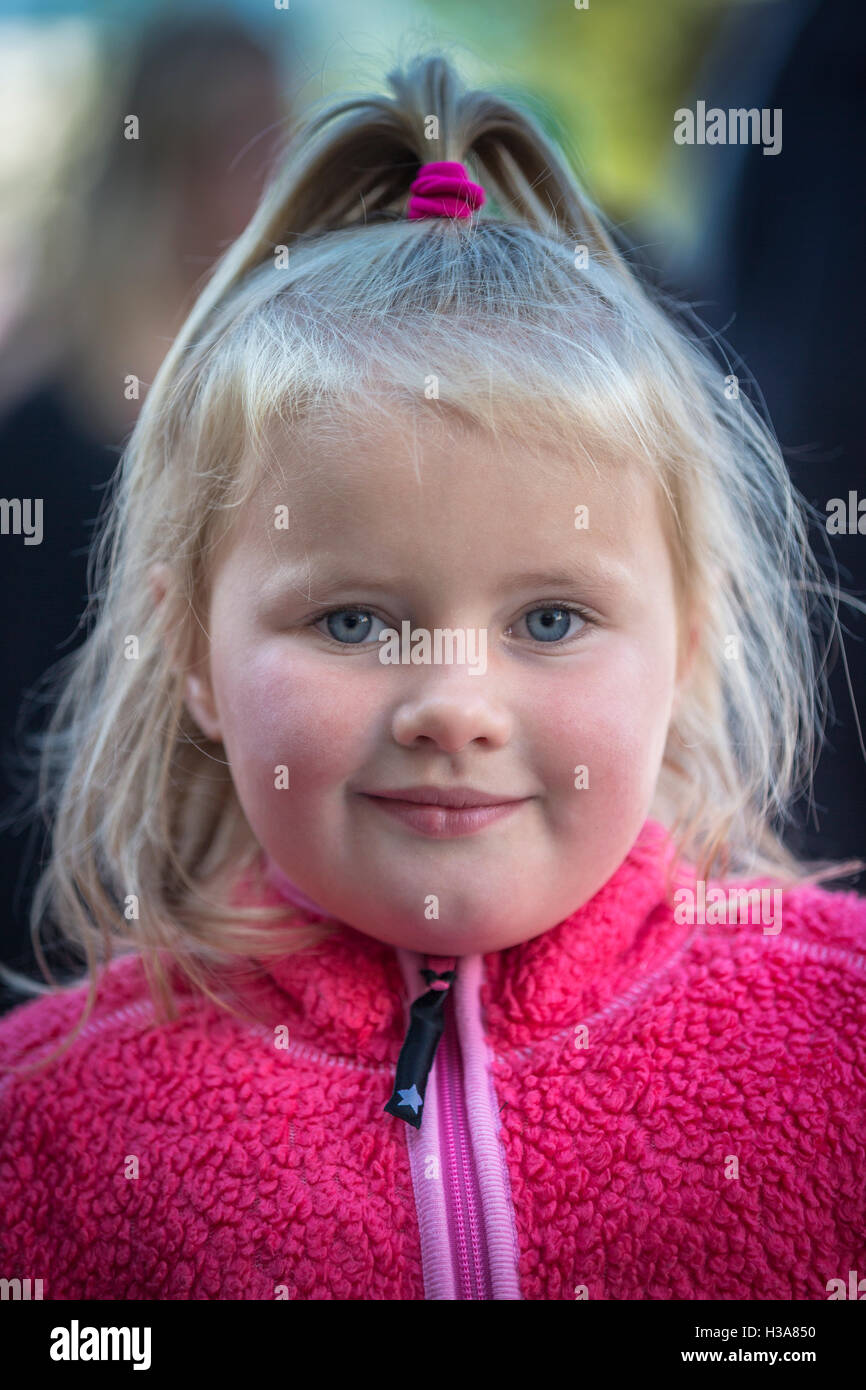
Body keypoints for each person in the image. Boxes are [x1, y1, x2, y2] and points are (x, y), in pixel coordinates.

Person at [0, 52, 864, 1302]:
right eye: (352, 620)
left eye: (551, 617)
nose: (451, 705)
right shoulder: (52, 1133)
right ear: (187, 649)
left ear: (684, 643)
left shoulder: (833, 1044)